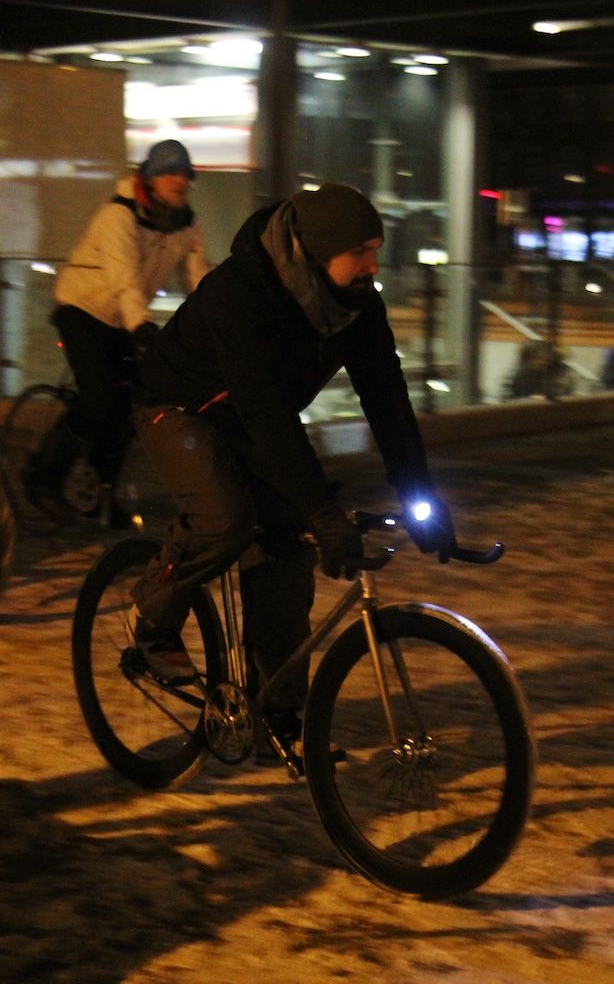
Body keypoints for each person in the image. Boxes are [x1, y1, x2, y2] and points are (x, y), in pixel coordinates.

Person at [124, 182, 458, 769]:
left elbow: (387, 399)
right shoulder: (242, 292)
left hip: (253, 418)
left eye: (376, 250)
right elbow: (264, 412)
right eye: (361, 252)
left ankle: (279, 712)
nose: (372, 266)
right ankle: (151, 612)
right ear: (317, 250)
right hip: (176, 406)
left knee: (285, 549)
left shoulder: (354, 304)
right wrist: (323, 512)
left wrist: (420, 495)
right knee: (226, 521)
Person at [51, 139, 210, 527]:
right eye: (170, 172)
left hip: (124, 317)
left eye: (185, 174)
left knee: (133, 407)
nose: (180, 181)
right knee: (101, 401)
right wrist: (141, 325)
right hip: (84, 309)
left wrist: (215, 321)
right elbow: (124, 279)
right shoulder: (118, 216)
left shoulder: (184, 223)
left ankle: (103, 493)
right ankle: (44, 475)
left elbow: (198, 276)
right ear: (150, 178)